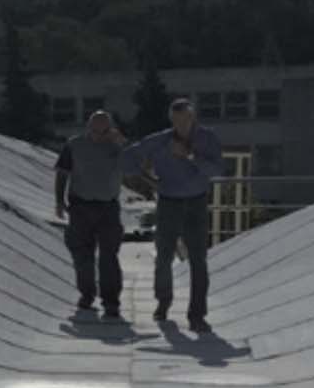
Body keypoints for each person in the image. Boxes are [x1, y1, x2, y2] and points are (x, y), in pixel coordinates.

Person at [122, 97, 224, 329]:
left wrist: (190, 156)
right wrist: (148, 179)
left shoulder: (207, 138)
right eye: (177, 121)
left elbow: (218, 170)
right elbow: (127, 159)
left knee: (199, 260)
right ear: (171, 120)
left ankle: (197, 316)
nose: (182, 125)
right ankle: (163, 303)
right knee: (164, 257)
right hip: (169, 203)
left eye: (186, 119)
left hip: (197, 203)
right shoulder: (159, 141)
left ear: (193, 118)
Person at [54, 110, 129, 319]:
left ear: (110, 128)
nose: (99, 134)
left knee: (109, 257)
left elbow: (135, 164)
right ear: (88, 127)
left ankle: (111, 301)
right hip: (80, 207)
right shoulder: (74, 144)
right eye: (95, 129)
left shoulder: (118, 145)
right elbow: (62, 173)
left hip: (108, 208)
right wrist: (59, 201)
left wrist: (122, 143)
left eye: (104, 129)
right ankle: (87, 295)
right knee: (82, 256)